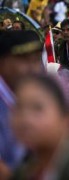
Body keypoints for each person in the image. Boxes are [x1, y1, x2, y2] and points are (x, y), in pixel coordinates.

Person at [0, 30, 43, 180]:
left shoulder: (23, 92)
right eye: (24, 60)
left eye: (36, 60)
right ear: (3, 61)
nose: (32, 67)